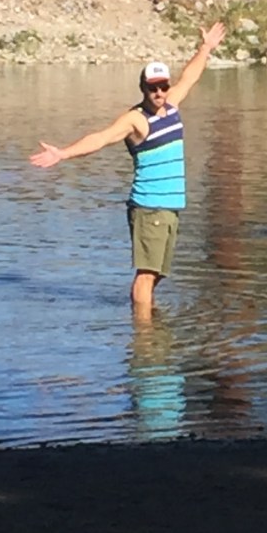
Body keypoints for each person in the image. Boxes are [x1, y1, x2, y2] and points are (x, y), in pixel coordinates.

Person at [29, 21, 226, 316]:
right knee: (147, 274)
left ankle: (145, 318)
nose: (159, 92)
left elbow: (190, 76)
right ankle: (144, 337)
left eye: (163, 86)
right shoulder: (135, 120)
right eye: (153, 87)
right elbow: (101, 138)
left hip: (169, 206)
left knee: (157, 272)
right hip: (150, 206)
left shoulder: (171, 106)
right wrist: (63, 153)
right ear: (143, 88)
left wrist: (206, 48)